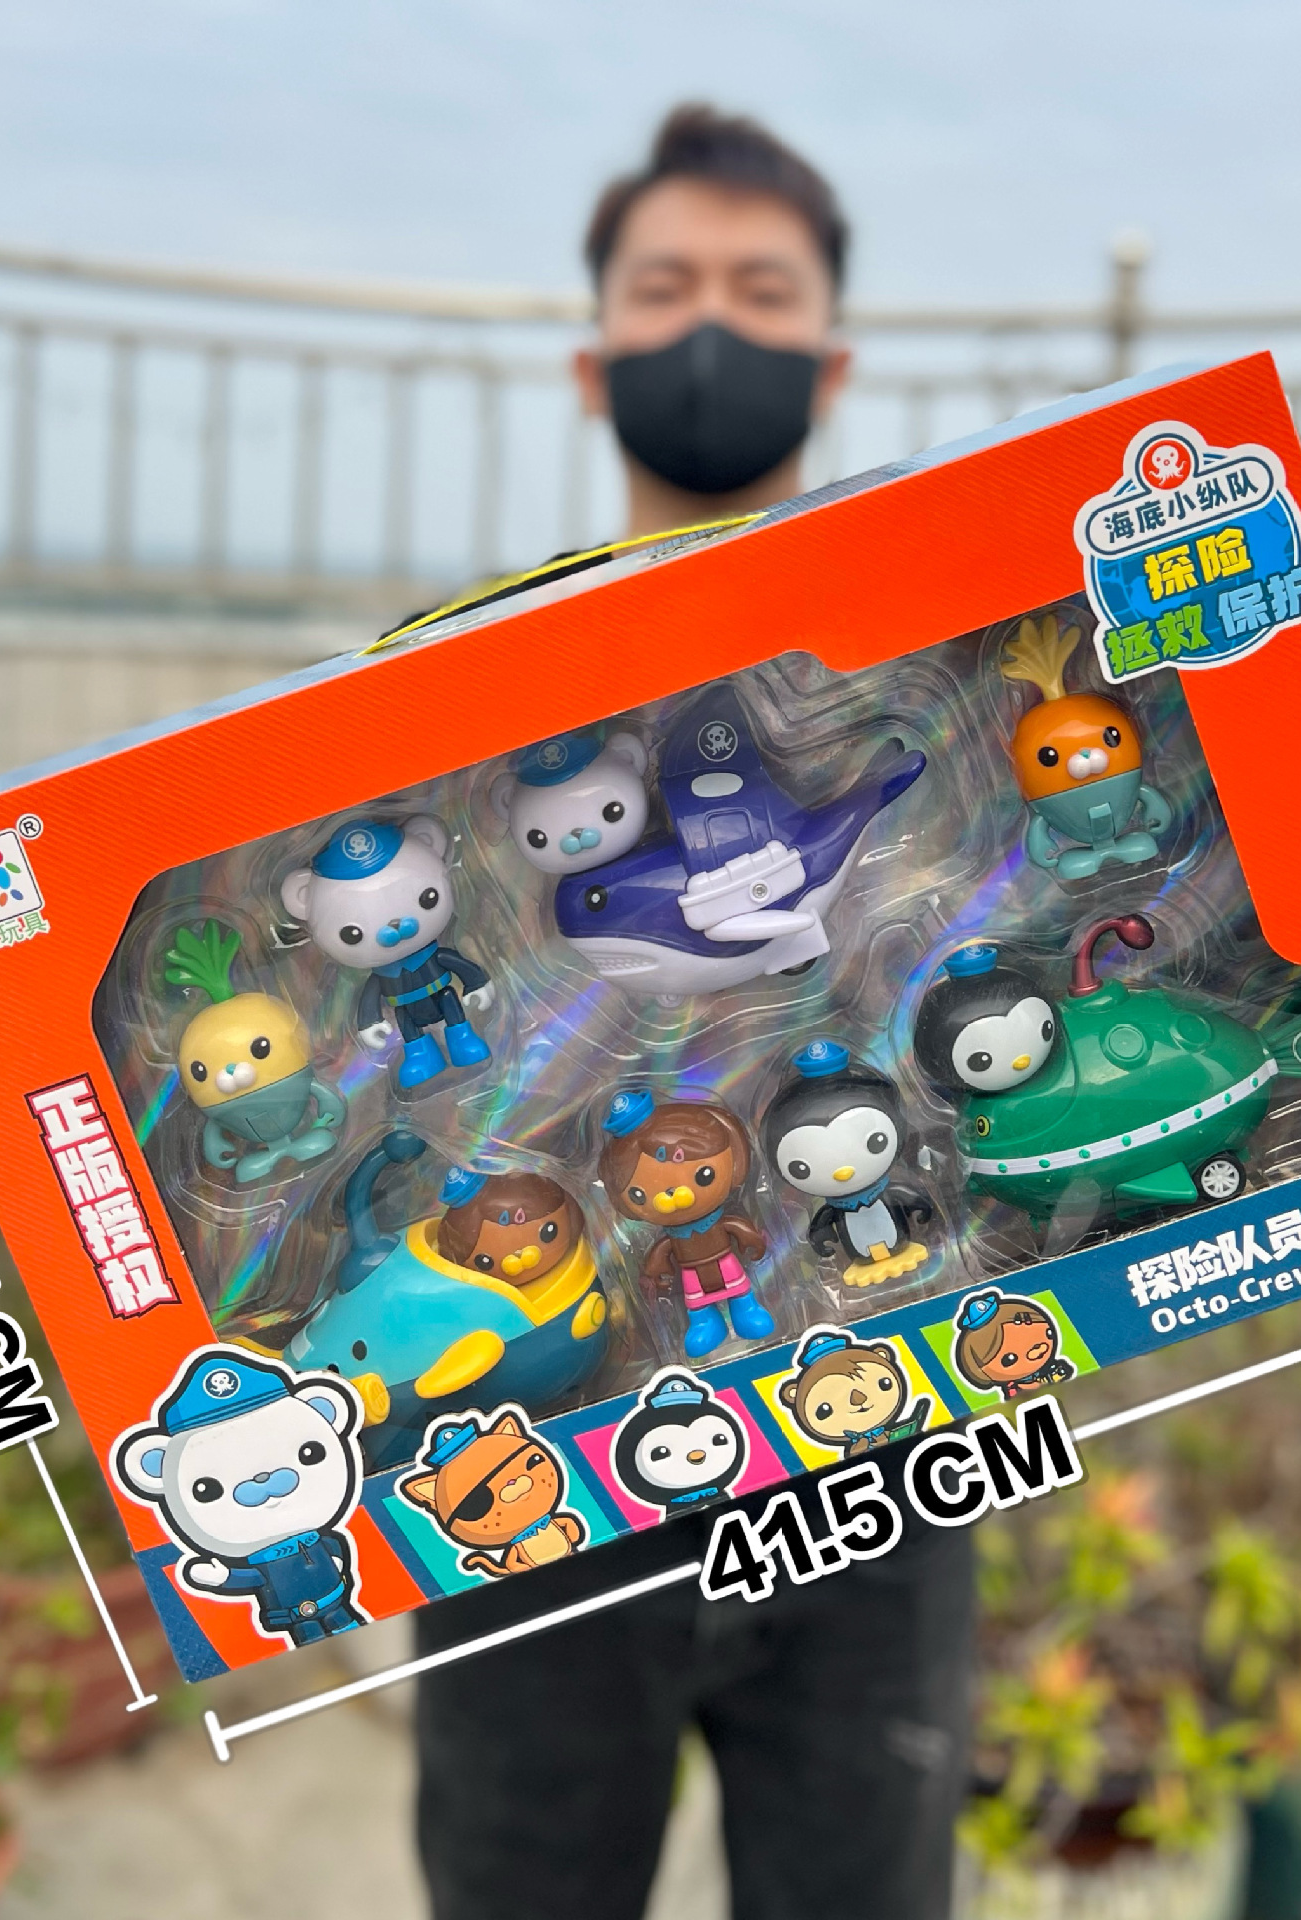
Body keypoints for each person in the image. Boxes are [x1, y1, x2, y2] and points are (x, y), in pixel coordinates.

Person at [411, 106, 975, 1920]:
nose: (713, 327)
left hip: (886, 1418)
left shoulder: (932, 666)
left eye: (761, 289)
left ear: (832, 356)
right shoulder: (455, 697)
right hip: (541, 1455)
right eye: (665, 288)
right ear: (595, 360)